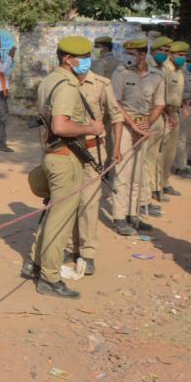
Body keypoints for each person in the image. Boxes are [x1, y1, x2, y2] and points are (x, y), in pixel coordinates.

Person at [21, 36, 104, 298]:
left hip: (53, 155)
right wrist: (92, 128)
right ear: (68, 59)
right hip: (66, 158)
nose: (87, 62)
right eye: (84, 57)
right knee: (61, 221)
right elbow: (60, 126)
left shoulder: (50, 79)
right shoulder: (67, 86)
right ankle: (50, 277)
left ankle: (35, 262)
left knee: (53, 214)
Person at [67, 66, 124, 273]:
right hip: (66, 151)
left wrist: (116, 148)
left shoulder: (102, 84)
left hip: (92, 151)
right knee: (67, 200)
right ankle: (69, 246)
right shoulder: (63, 81)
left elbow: (116, 117)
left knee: (89, 202)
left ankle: (87, 252)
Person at [110, 39, 165, 235]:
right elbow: (115, 102)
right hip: (124, 126)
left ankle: (133, 214)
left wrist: (147, 123)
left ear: (142, 55)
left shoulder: (156, 77)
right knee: (122, 172)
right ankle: (119, 216)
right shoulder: (120, 73)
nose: (128, 56)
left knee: (137, 173)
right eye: (127, 52)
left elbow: (159, 104)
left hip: (143, 126)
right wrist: (133, 125)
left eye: (132, 53)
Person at [145, 36, 175, 209]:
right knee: (148, 158)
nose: (163, 54)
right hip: (151, 115)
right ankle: (146, 195)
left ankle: (156, 187)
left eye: (166, 51)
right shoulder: (147, 68)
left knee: (158, 154)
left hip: (163, 115)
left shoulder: (165, 69)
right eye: (160, 51)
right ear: (153, 51)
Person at [162, 41, 191, 181]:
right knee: (161, 152)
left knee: (171, 151)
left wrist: (182, 107)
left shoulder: (179, 70)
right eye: (180, 55)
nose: (183, 58)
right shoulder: (165, 70)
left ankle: (164, 182)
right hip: (164, 113)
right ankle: (156, 185)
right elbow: (162, 95)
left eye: (185, 55)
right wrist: (169, 114)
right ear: (171, 54)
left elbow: (178, 93)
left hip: (175, 112)